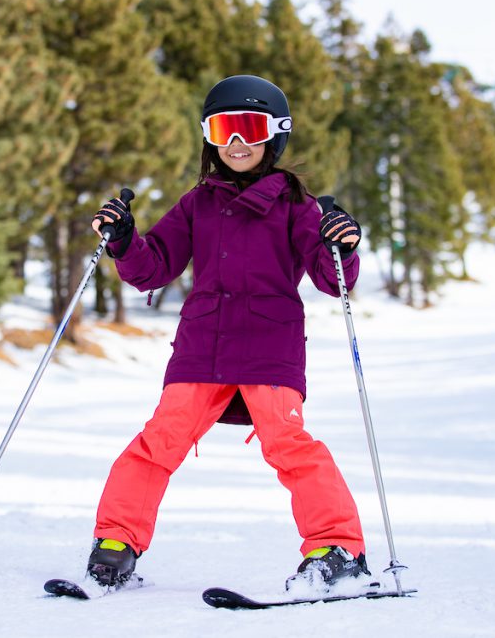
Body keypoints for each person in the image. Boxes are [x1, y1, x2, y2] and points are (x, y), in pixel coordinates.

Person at [85, 75, 368, 592]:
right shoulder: (198, 204)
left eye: (249, 128)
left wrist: (341, 248)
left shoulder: (296, 205)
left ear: (274, 134)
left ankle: (337, 547)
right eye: (224, 130)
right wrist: (125, 242)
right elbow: (154, 267)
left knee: (289, 443)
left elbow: (333, 282)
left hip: (269, 346)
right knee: (159, 441)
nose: (236, 143)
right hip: (202, 347)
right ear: (210, 137)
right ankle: (116, 541)